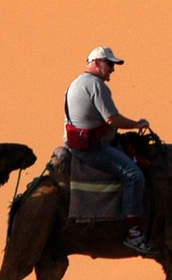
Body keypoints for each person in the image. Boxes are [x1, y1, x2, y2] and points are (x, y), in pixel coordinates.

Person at [64, 44, 152, 253]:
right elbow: (112, 119)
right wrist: (138, 124)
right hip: (92, 150)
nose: (112, 69)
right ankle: (134, 234)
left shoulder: (74, 84)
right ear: (95, 63)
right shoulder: (96, 85)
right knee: (134, 175)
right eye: (109, 64)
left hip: (79, 145)